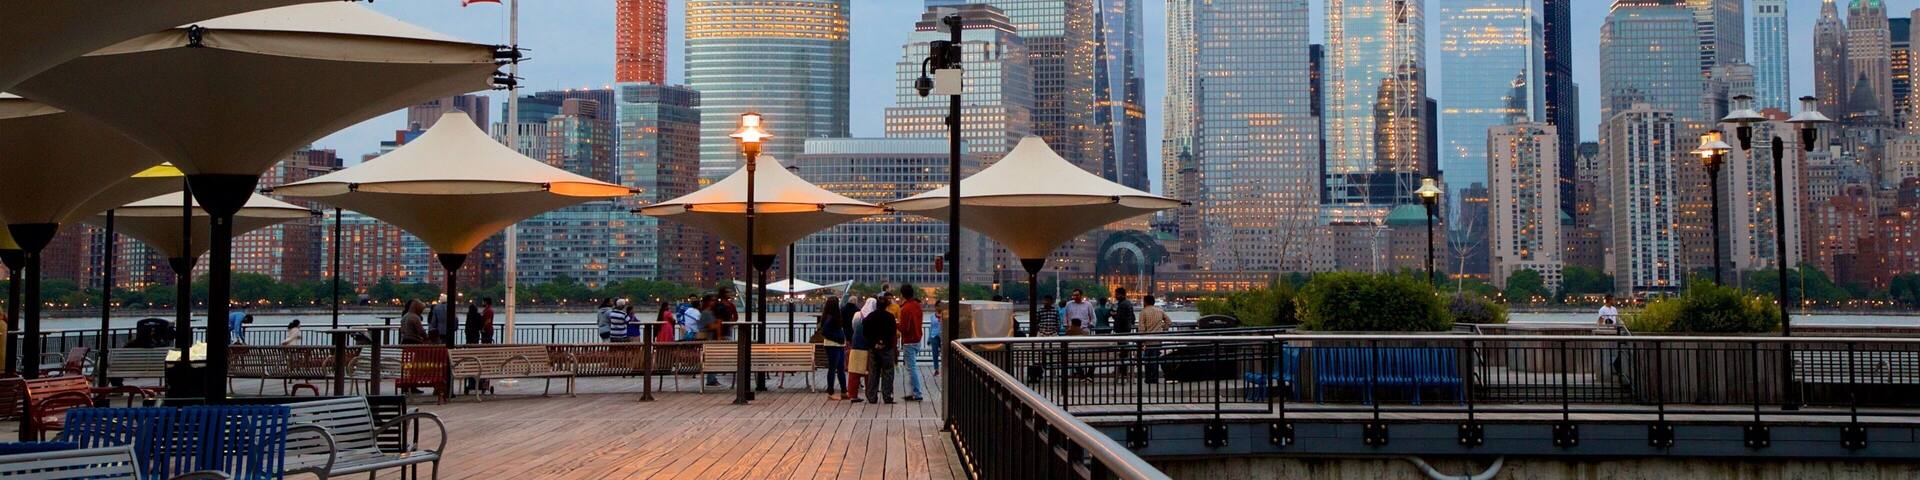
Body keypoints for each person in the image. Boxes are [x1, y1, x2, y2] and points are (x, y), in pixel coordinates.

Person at [862, 297, 900, 404]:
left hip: (873, 348)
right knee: (888, 372)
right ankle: (887, 396)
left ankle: (872, 397)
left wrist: (875, 343)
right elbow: (892, 332)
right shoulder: (890, 317)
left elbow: (865, 332)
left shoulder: (870, 316)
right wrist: (883, 342)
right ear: (886, 306)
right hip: (887, 348)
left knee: (873, 372)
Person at [896, 285, 926, 402]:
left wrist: (895, 323)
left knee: (911, 368)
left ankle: (917, 393)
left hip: (909, 341)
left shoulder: (905, 309)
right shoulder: (917, 306)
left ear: (902, 294)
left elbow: (904, 328)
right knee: (911, 367)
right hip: (917, 339)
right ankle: (912, 392)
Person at [847, 297, 876, 402]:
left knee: (854, 372)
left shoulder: (857, 315)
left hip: (855, 345)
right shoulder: (874, 317)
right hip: (868, 347)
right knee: (869, 373)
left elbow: (853, 327)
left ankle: (852, 394)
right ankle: (870, 394)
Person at [818, 297, 847, 400]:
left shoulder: (830, 316)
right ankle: (831, 392)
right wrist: (837, 339)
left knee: (840, 368)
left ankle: (844, 391)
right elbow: (824, 331)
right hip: (832, 345)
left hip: (837, 345)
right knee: (834, 368)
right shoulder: (831, 317)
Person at [1138, 295, 1171, 383]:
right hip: (1158, 338)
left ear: (1145, 302)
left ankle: (1148, 379)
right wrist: (1163, 328)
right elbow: (1169, 321)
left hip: (1147, 340)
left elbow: (1141, 328)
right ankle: (1154, 378)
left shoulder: (1143, 312)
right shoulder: (1159, 310)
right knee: (1155, 360)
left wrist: (1142, 340)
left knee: (1147, 360)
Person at [927, 299, 944, 375]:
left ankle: (944, 368)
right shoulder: (932, 316)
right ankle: (936, 369)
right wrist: (929, 338)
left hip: (943, 336)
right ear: (936, 307)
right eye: (938, 306)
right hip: (934, 336)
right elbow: (931, 327)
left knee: (944, 353)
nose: (939, 307)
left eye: (941, 306)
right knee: (935, 353)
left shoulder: (945, 315)